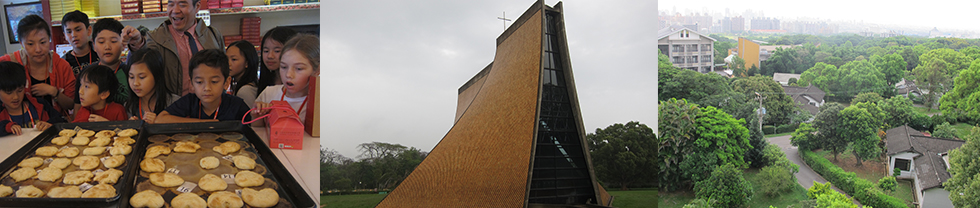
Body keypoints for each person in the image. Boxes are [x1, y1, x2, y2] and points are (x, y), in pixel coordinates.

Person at [122, 0, 224, 96]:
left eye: (182, 4)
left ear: (197, 6)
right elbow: (146, 61)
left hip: (209, 106)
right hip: (172, 108)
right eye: (171, 4)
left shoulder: (213, 35)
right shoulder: (156, 37)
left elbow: (223, 71)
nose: (175, 10)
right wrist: (138, 43)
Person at [0, 15, 76, 115]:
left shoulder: (62, 66)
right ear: (21, 43)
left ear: (49, 39)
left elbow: (71, 105)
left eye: (43, 42)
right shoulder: (9, 62)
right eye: (30, 44)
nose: (38, 49)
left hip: (54, 124)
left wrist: (54, 92)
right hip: (17, 126)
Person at [156, 49, 250, 123]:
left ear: (226, 83)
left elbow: (252, 127)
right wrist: (205, 123)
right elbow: (160, 119)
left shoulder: (237, 106)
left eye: (214, 81)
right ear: (191, 84)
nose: (207, 88)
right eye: (199, 82)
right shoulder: (190, 101)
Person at [252, 34, 319, 126]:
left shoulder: (320, 103)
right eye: (283, 67)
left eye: (299, 68)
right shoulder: (268, 94)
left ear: (317, 70)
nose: (288, 74)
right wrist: (257, 115)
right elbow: (257, 133)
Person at [74, 18, 131, 116]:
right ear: (94, 45)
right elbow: (78, 109)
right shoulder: (86, 73)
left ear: (123, 44)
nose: (107, 47)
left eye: (113, 41)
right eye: (101, 42)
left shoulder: (130, 73)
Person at [0, 62, 65, 136]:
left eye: (20, 90)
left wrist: (50, 125)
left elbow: (61, 121)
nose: (16, 97)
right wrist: (6, 127)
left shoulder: (40, 104)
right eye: (9, 92)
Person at [126, 48, 178, 124]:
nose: (135, 83)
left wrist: (159, 122)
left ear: (157, 76)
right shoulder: (129, 106)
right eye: (131, 77)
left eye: (142, 77)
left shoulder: (175, 103)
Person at [256, 27, 297, 94]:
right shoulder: (266, 83)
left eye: (277, 51)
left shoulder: (298, 84)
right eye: (266, 51)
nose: (270, 56)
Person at [61, 10, 99, 75]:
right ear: (65, 36)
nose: (74, 35)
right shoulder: (63, 63)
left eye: (78, 30)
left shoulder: (100, 54)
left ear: (89, 30)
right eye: (69, 32)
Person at [226, 40, 259, 108]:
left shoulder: (245, 91)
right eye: (226, 59)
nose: (228, 64)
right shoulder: (242, 86)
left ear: (247, 63)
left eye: (234, 59)